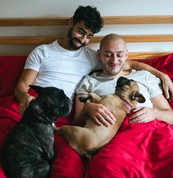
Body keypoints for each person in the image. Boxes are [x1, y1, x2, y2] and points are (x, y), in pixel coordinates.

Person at [15, 5, 173, 118]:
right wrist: (25, 97)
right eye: (80, 32)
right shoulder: (42, 51)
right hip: (36, 101)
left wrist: (162, 75)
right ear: (71, 23)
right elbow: (22, 86)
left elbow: (127, 64)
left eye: (89, 36)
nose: (83, 40)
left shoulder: (92, 56)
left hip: (61, 109)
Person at [73, 33, 173, 127]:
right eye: (108, 55)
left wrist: (155, 113)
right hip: (111, 135)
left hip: (147, 131)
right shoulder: (88, 82)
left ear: (126, 55)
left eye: (119, 55)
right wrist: (88, 109)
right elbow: (77, 122)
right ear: (99, 55)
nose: (114, 61)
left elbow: (171, 117)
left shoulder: (144, 76)